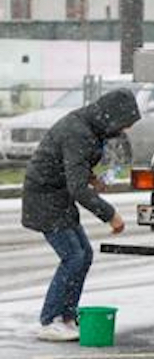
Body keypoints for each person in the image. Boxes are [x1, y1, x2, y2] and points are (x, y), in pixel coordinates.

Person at [22, 89, 141, 341]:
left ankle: (67, 316)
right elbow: (76, 187)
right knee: (73, 257)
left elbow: (71, 166)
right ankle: (50, 319)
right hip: (45, 198)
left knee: (83, 254)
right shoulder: (78, 132)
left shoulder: (89, 126)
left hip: (58, 197)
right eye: (125, 123)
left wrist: (91, 178)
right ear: (112, 117)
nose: (125, 130)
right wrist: (110, 215)